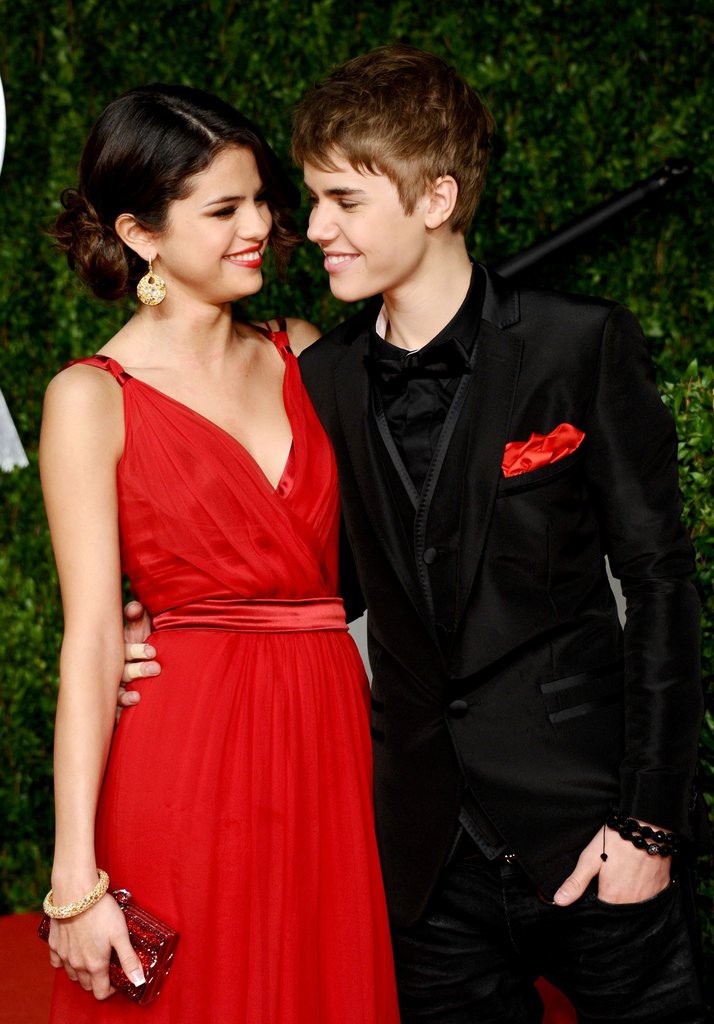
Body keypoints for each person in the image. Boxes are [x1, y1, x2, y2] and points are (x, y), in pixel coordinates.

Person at [122, 48, 706, 1022]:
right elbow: (322, 585)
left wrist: (648, 825)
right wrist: (162, 624)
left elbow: (660, 588)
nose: (314, 229)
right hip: (423, 871)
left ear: (437, 197)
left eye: (344, 201)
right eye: (313, 199)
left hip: (593, 835)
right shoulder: (322, 379)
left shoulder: (577, 342)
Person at [40, 83, 399, 1023]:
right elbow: (91, 638)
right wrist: (74, 878)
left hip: (329, 741)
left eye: (261, 201)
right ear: (141, 234)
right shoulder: (90, 398)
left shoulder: (304, 352)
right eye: (224, 209)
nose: (262, 227)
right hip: (187, 751)